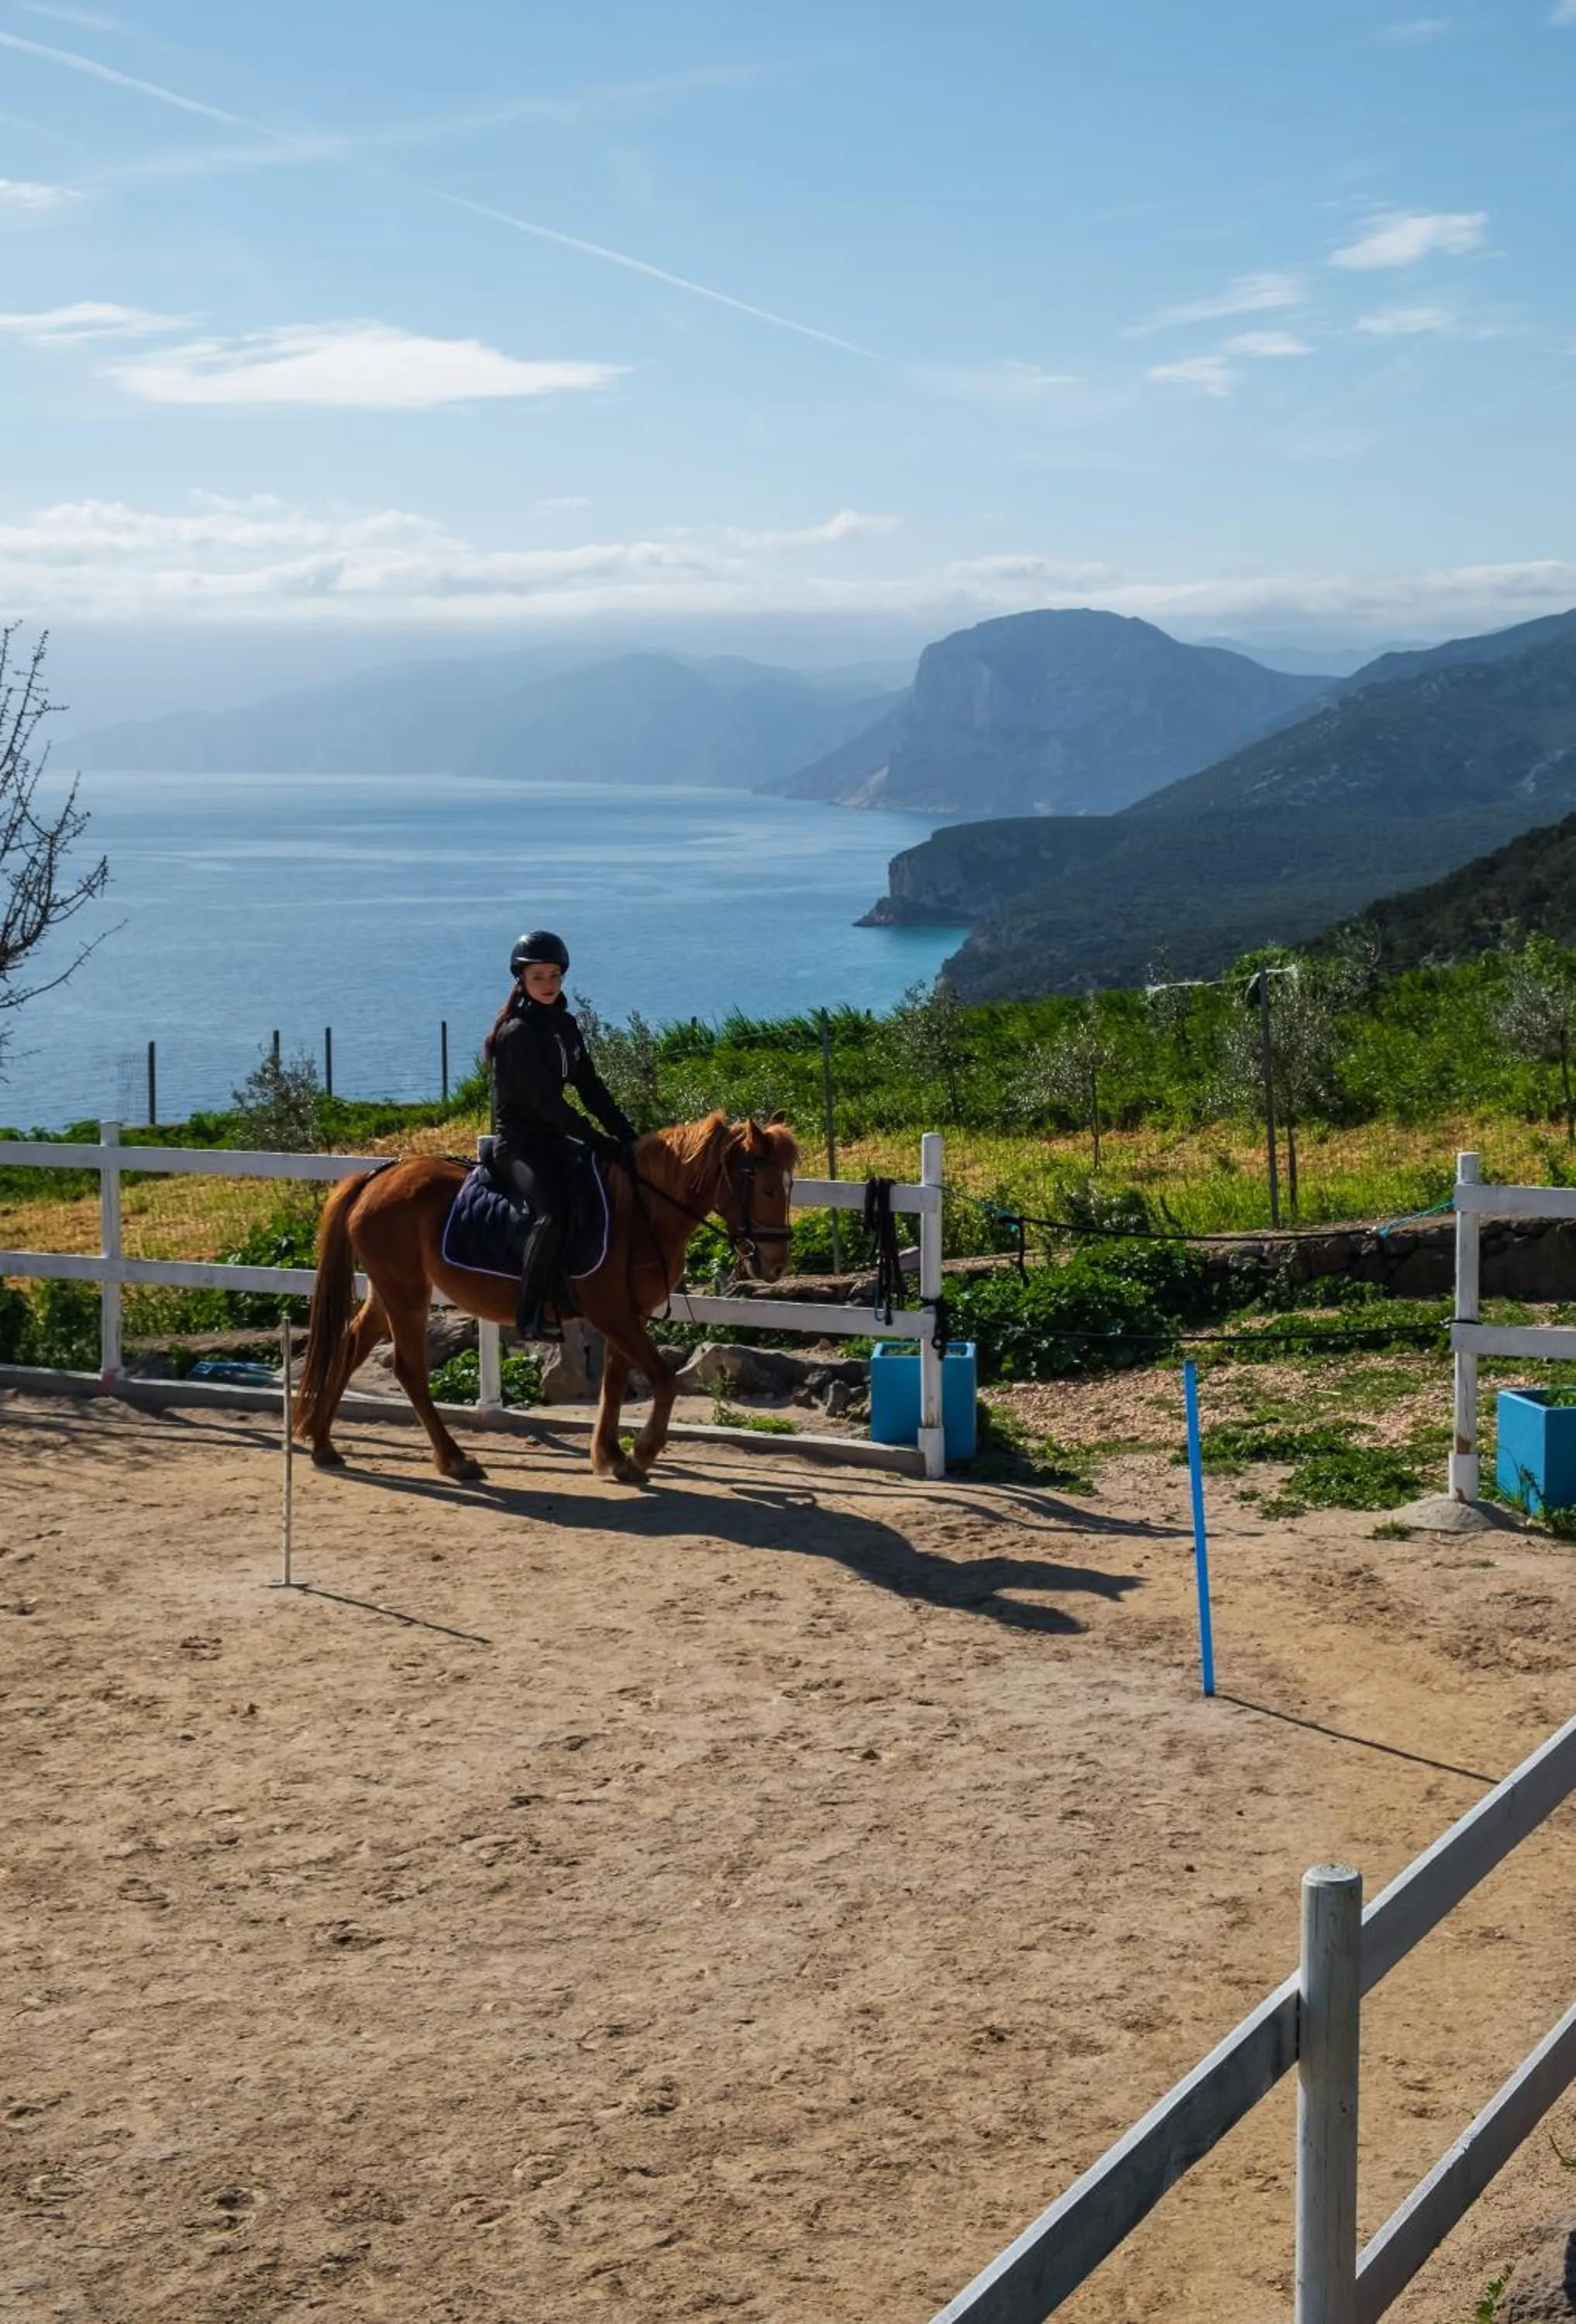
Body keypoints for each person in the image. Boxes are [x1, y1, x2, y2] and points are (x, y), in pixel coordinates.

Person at [483, 931, 637, 1339]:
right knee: (550, 1212)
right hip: (520, 1144)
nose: (548, 983)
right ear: (521, 980)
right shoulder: (516, 1033)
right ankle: (529, 1312)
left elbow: (591, 1087)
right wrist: (594, 1138)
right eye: (538, 976)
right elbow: (544, 1104)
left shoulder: (565, 1025)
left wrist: (625, 1134)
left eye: (554, 975)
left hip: (553, 1139)